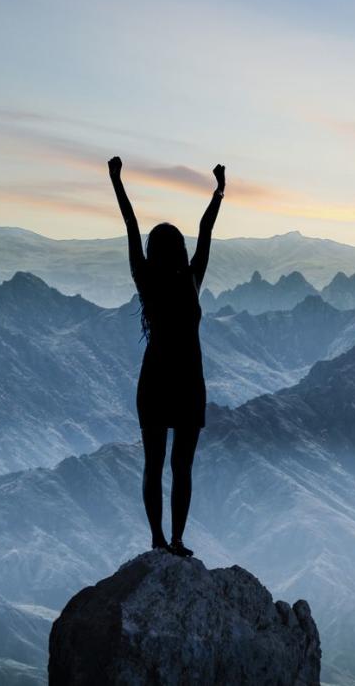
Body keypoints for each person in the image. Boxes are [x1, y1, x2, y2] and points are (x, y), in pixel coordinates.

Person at [108, 156, 225, 557]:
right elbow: (206, 230)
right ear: (179, 250)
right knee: (178, 467)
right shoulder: (192, 280)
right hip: (189, 383)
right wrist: (219, 191)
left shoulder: (146, 279)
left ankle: (159, 540)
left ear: (152, 251)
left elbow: (130, 224)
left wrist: (117, 181)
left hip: (156, 381)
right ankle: (173, 540)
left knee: (156, 465)